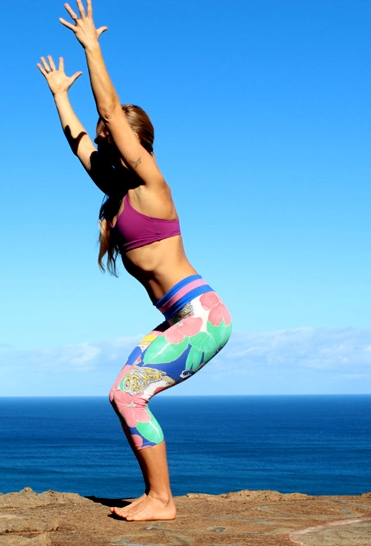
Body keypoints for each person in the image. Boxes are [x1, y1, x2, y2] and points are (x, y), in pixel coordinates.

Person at [37, 0, 232, 522]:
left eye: (111, 139)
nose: (103, 146)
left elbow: (107, 112)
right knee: (122, 394)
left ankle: (162, 501)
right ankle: (154, 494)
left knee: (128, 395)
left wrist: (92, 48)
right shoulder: (119, 192)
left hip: (202, 317)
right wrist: (60, 98)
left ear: (134, 143)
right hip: (179, 317)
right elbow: (78, 144)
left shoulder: (152, 184)